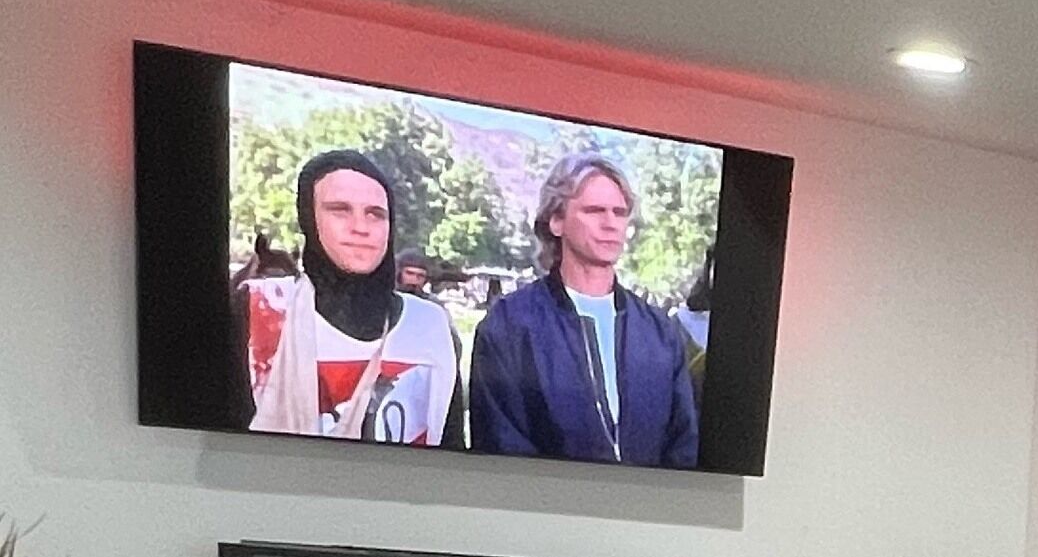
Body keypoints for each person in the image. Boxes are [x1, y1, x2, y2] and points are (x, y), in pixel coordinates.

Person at [468, 152, 701, 466]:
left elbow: (684, 446)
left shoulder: (660, 332)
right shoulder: (509, 326)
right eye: (594, 211)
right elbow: (500, 445)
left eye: (620, 213)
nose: (610, 224)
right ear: (556, 221)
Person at [245, 151, 467, 444]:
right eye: (340, 210)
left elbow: (450, 446)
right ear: (309, 219)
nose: (361, 228)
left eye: (375, 214)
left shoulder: (430, 325)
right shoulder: (259, 309)